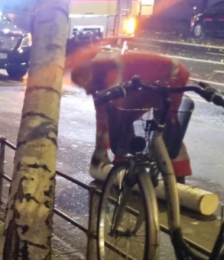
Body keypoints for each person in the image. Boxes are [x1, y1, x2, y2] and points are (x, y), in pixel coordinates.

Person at [71, 51, 193, 184]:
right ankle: (123, 162)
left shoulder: (112, 74)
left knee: (167, 126)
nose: (86, 91)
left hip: (171, 75)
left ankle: (178, 176)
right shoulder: (100, 80)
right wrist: (100, 148)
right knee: (125, 119)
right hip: (153, 79)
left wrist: (101, 150)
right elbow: (101, 116)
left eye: (82, 84)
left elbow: (114, 113)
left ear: (88, 76)